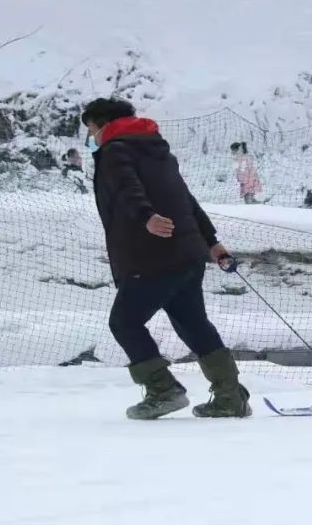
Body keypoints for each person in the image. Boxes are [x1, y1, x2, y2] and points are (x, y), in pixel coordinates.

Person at [82, 97, 251, 420]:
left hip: (151, 254)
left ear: (103, 124)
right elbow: (184, 198)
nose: (92, 137)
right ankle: (231, 397)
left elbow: (126, 189)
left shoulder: (115, 151)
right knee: (192, 323)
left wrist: (145, 216)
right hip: (187, 254)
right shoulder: (157, 149)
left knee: (125, 322)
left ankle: (163, 391)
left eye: (91, 129)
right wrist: (211, 242)